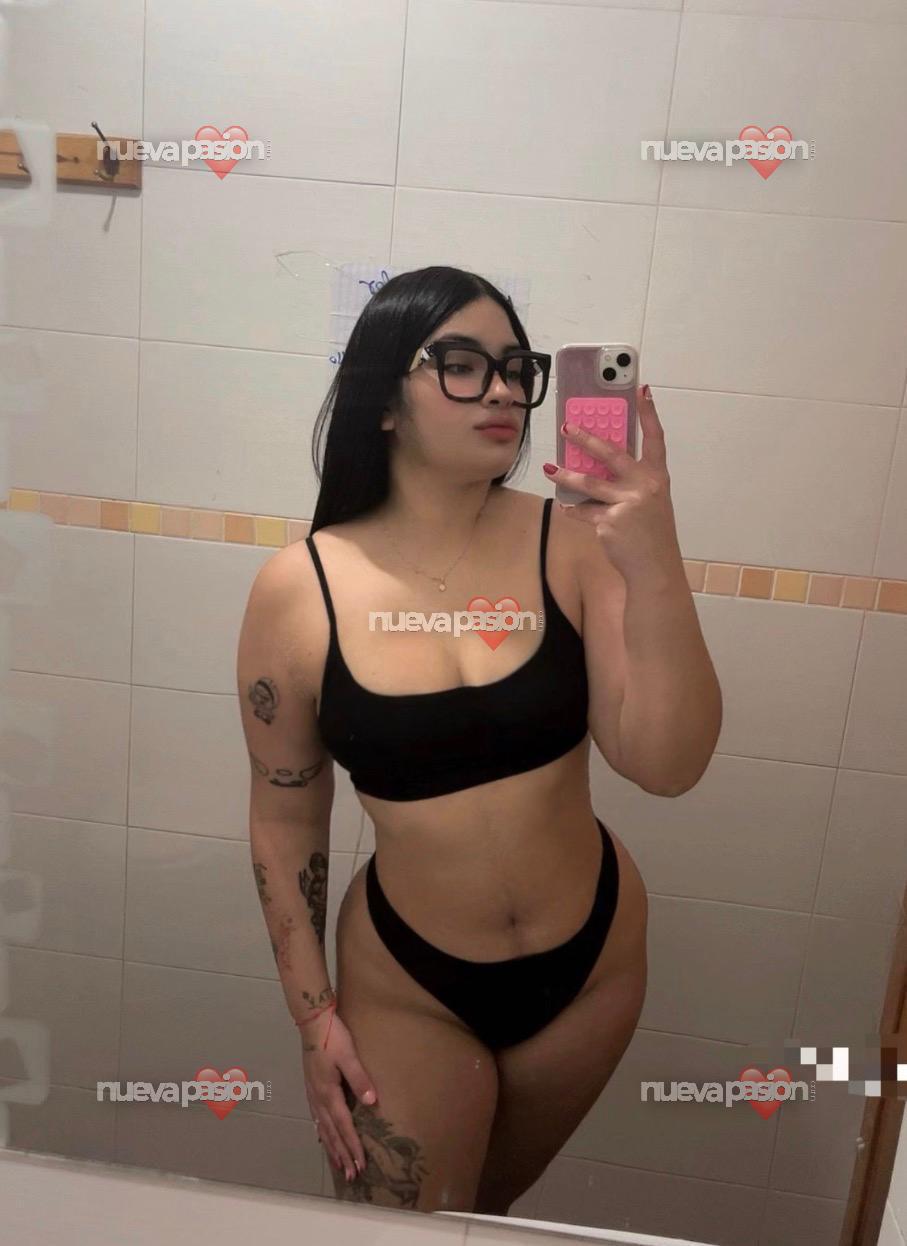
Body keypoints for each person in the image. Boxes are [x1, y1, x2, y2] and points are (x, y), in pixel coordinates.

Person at [236, 265, 722, 1214]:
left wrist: (653, 549)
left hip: (591, 963)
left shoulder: (572, 542)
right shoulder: (299, 590)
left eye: (514, 368)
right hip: (410, 980)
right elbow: (286, 820)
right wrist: (312, 1017)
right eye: (460, 363)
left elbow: (667, 766)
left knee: (485, 1220)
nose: (501, 390)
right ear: (383, 400)